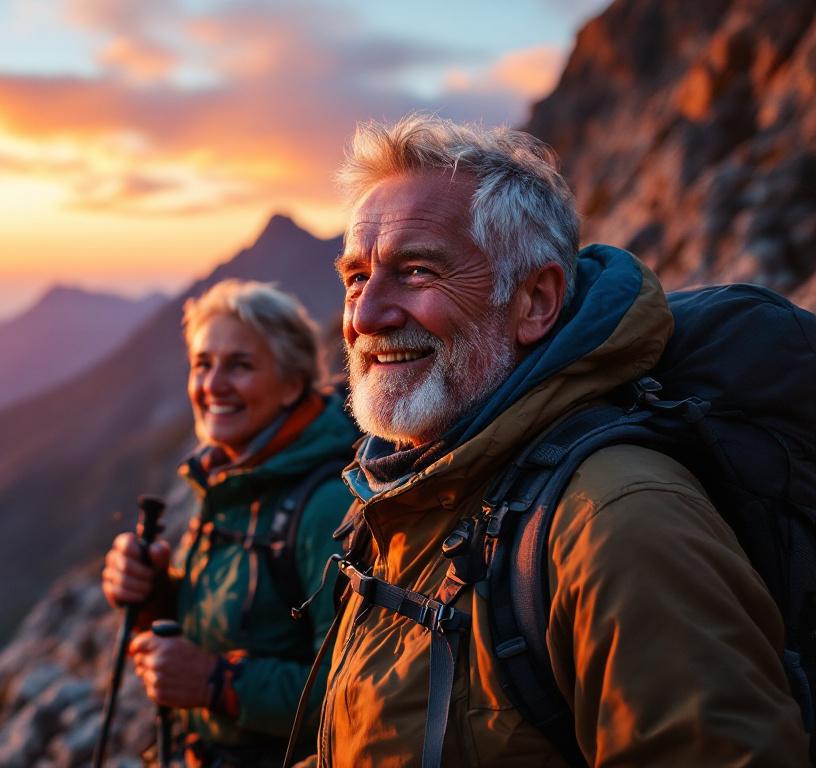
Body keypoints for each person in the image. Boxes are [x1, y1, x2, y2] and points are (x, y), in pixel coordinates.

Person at [314, 114, 808, 765]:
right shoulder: (413, 495)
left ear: (535, 302)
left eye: (416, 272)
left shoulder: (618, 521)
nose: (365, 316)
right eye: (356, 276)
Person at [101, 279, 358, 767]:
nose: (212, 385)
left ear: (291, 384)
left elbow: (349, 691)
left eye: (239, 366)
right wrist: (155, 591)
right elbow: (241, 617)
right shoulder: (235, 477)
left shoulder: (324, 506)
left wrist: (216, 682)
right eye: (202, 364)